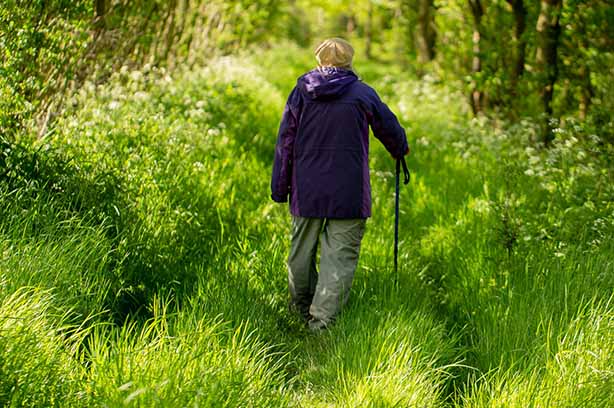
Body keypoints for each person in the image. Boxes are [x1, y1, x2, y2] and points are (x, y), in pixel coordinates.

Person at [271, 38, 409, 332]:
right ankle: (320, 323)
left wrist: (279, 187)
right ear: (349, 61)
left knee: (300, 252)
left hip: (307, 188)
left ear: (320, 60)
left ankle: (300, 310)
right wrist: (399, 148)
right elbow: (389, 127)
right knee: (340, 256)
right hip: (348, 190)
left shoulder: (300, 92)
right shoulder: (362, 93)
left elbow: (285, 141)